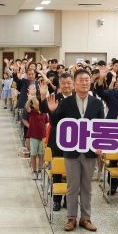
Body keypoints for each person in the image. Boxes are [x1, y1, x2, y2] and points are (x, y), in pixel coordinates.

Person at [46, 69, 104, 232]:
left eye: (87, 80)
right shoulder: (66, 102)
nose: (84, 83)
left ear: (90, 82)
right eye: (80, 80)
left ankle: (86, 218)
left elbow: (101, 126)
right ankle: (71, 218)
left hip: (90, 151)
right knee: (72, 186)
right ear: (75, 83)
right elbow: (57, 124)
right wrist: (52, 111)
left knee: (87, 187)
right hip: (71, 151)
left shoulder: (97, 103)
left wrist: (101, 146)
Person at [41, 72, 74, 211]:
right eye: (63, 83)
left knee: (72, 171)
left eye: (69, 83)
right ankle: (56, 200)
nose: (66, 85)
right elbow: (42, 109)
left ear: (73, 84)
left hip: (74, 140)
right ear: (59, 84)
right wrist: (43, 95)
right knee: (57, 170)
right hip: (57, 139)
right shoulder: (55, 97)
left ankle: (68, 199)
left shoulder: (78, 98)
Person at [24, 95, 49, 179]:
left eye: (37, 104)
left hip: (42, 137)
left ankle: (40, 170)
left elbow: (46, 124)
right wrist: (29, 99)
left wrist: (46, 134)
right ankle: (34, 171)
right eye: (35, 104)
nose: (36, 105)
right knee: (33, 154)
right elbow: (27, 107)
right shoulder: (32, 112)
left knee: (41, 154)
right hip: (33, 136)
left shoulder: (44, 113)